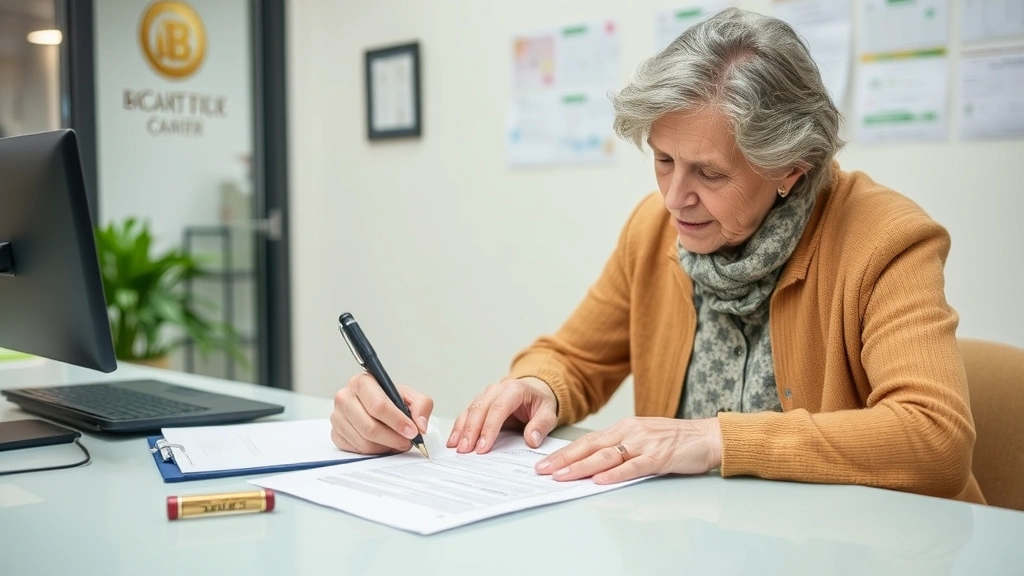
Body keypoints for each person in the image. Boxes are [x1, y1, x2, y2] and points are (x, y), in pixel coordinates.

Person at [330, 7, 984, 503]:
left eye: (710, 174)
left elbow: (934, 437)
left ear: (792, 166)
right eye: (663, 160)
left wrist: (713, 438)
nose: (675, 198)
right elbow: (575, 358)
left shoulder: (884, 239)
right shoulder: (654, 229)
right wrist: (537, 387)